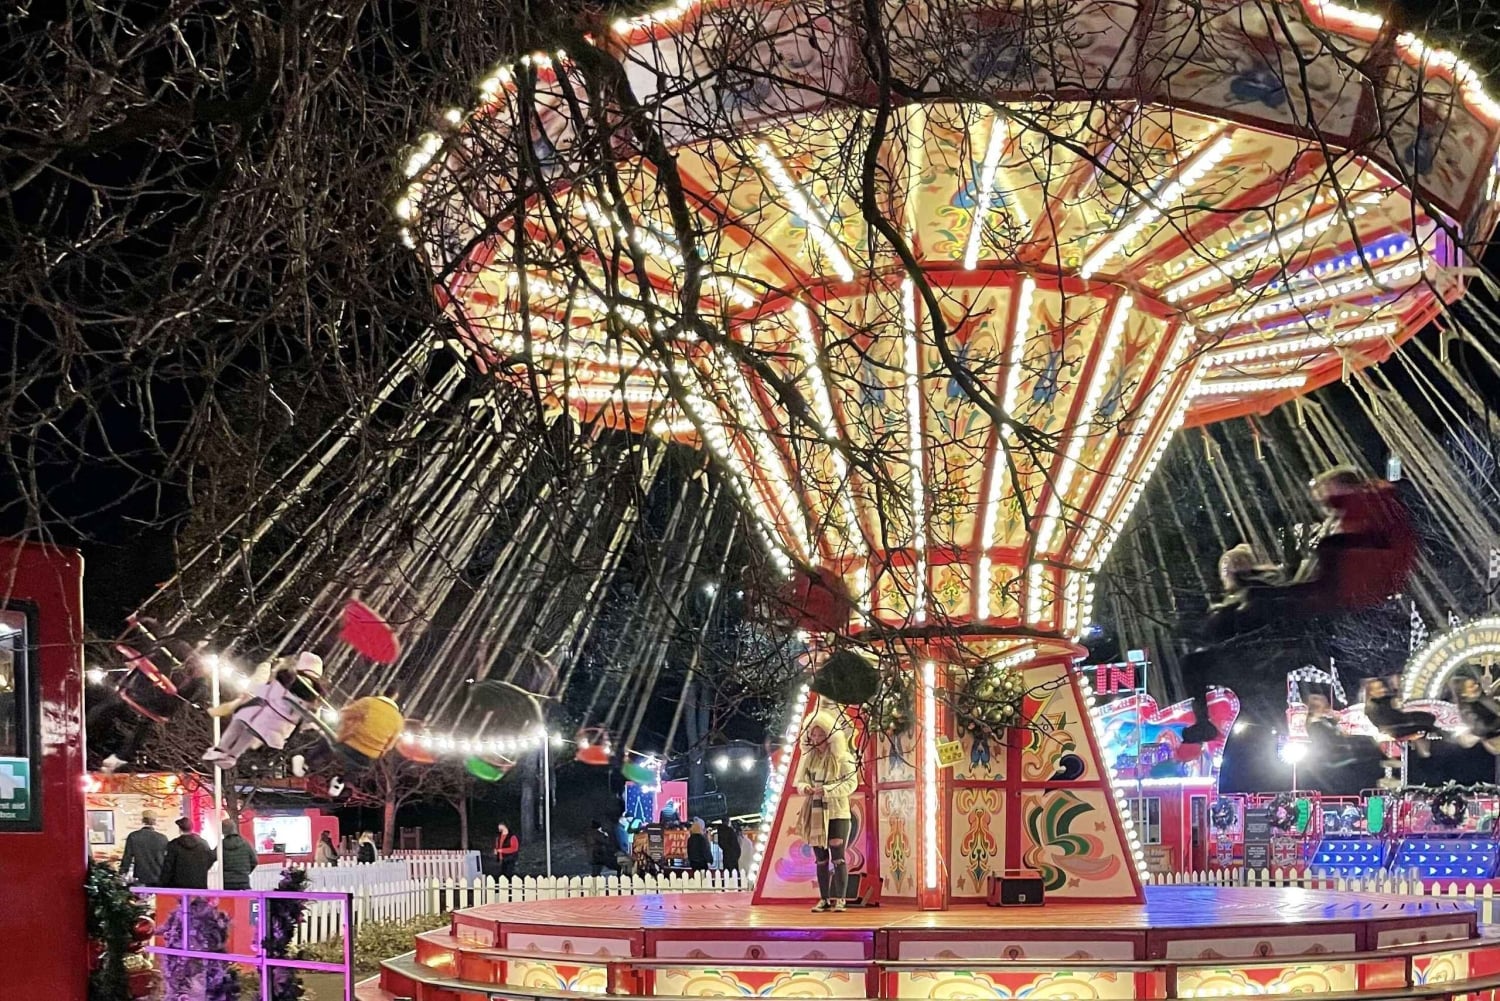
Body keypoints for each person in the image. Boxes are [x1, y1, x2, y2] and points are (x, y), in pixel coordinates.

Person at [1180, 468, 1415, 742]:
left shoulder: (1351, 531)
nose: (1322, 502)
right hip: (1308, 618)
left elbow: (1326, 587)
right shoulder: (1342, 528)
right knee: (1207, 657)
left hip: (1316, 622)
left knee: (1201, 661)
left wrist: (1269, 593)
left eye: (1327, 493)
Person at [202, 652, 324, 770]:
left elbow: (267, 693)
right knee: (250, 732)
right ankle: (233, 755)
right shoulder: (314, 697)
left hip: (265, 716)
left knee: (239, 722)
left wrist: (252, 690)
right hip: (278, 731)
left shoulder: (286, 679)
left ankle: (221, 749)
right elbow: (308, 722)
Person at [795, 711, 859, 913]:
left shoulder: (843, 758)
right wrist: (805, 788)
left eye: (820, 734)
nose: (816, 739)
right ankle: (824, 899)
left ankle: (840, 899)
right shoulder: (808, 759)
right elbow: (800, 782)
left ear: (830, 735)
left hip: (837, 813)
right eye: (813, 735)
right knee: (821, 858)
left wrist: (828, 790)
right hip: (815, 813)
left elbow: (851, 783)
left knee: (838, 857)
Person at [291, 687, 405, 778]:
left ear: (382, 692)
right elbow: (389, 746)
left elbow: (345, 714)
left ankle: (306, 763)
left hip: (350, 745)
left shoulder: (369, 703)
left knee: (327, 740)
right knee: (354, 772)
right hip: (368, 758)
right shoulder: (399, 720)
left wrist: (344, 728)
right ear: (395, 697)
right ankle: (341, 782)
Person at [1363, 677, 1434, 757]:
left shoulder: (1386, 700)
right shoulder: (1373, 707)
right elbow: (1389, 721)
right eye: (1379, 688)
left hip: (1408, 726)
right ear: (1371, 692)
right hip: (1401, 729)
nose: (1383, 690)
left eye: (1383, 687)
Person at [1450, 669, 1500, 753]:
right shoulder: (1467, 710)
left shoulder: (1481, 697)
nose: (1476, 686)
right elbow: (1482, 727)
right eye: (1471, 686)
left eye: (1475, 684)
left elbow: (1496, 708)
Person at [159, 818, 216, 890]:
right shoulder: (203, 844)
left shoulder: (173, 844)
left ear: (180, 829)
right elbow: (209, 860)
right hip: (199, 886)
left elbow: (168, 867)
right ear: (192, 828)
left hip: (178, 887)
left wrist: (162, 884)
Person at [119, 810, 170, 885]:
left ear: (142, 820)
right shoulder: (162, 838)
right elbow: (167, 858)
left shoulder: (133, 836)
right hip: (158, 875)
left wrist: (123, 871)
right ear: (155, 822)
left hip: (140, 875)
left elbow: (127, 856)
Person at [220, 819, 260, 890]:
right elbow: (255, 861)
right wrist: (245, 872)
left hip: (227, 883)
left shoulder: (221, 845)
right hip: (243, 881)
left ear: (222, 830)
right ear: (234, 828)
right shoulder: (246, 843)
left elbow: (211, 857)